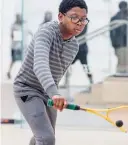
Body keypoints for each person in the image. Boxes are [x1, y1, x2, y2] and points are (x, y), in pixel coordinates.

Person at [13, 0, 89, 144]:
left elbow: (56, 75)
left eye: (83, 19)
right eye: (74, 17)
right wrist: (55, 93)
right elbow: (40, 64)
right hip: (26, 89)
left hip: (47, 94)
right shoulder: (46, 31)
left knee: (42, 136)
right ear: (61, 16)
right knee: (46, 138)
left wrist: (54, 94)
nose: (79, 23)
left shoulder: (74, 46)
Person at [110, 1, 128, 73]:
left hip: (123, 43)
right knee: (122, 61)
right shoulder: (117, 18)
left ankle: (122, 74)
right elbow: (112, 32)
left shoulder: (125, 17)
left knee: (124, 61)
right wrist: (114, 44)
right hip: (120, 43)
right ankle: (120, 75)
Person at [7, 13, 32, 79]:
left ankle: (24, 73)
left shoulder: (23, 25)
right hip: (15, 46)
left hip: (22, 46)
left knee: (24, 60)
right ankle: (9, 72)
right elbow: (12, 36)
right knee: (13, 60)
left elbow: (28, 32)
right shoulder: (13, 26)